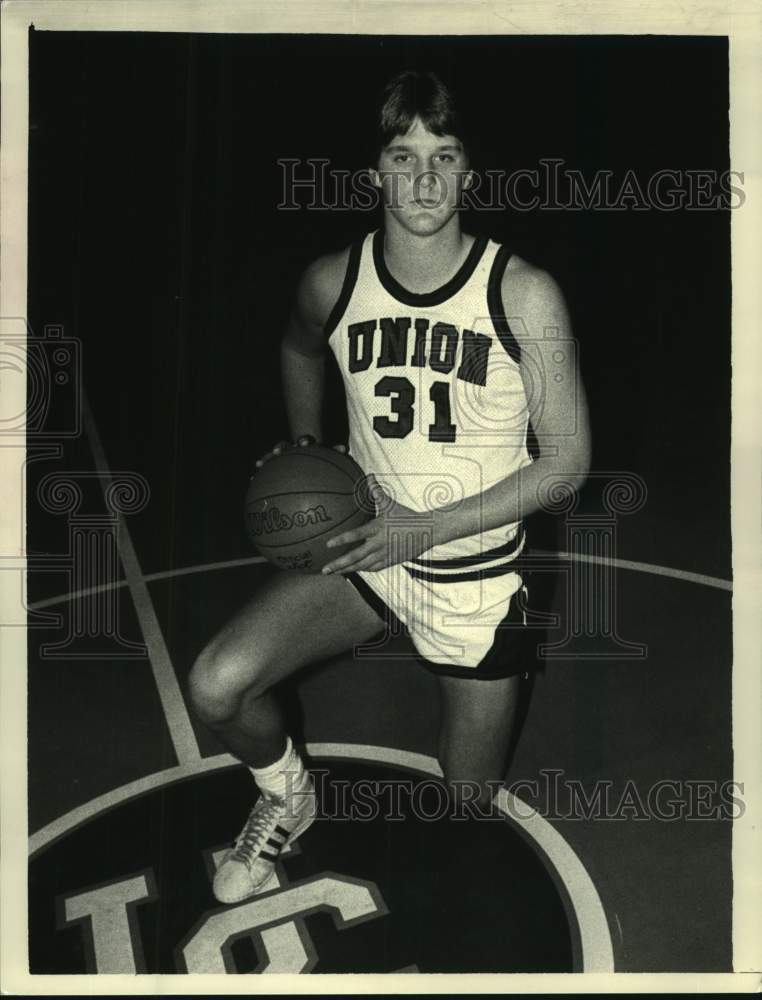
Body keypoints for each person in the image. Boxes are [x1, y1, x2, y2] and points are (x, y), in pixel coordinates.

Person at [189, 70, 591, 905]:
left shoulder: (522, 294)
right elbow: (301, 349)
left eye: (445, 157)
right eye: (402, 157)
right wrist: (308, 445)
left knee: (465, 802)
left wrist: (426, 529)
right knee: (216, 685)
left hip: (477, 577)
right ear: (374, 171)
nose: (423, 180)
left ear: (472, 172)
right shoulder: (332, 281)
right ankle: (286, 795)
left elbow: (565, 464)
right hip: (367, 548)